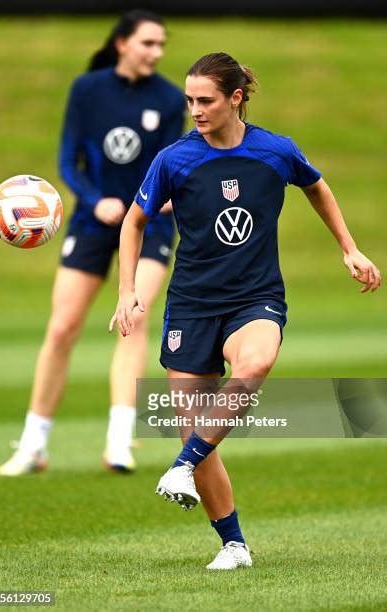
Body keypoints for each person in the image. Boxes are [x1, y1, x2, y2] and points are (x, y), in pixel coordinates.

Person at [110, 52, 381, 570]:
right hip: (191, 305)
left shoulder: (275, 151)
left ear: (236, 98)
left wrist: (349, 247)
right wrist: (127, 291)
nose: (195, 109)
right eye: (189, 100)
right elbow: (133, 221)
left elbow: (316, 186)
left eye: (205, 100)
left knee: (254, 365)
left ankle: (181, 466)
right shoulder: (174, 159)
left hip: (255, 298)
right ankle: (233, 545)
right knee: (199, 429)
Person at [0, 10, 186, 477]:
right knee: (62, 327)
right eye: (148, 43)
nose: (156, 52)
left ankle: (119, 443)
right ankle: (33, 445)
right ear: (122, 43)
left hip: (148, 224)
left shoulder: (167, 97)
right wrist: (95, 199)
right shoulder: (87, 89)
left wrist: (148, 204)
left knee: (133, 321)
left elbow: (168, 164)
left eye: (161, 45)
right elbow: (68, 159)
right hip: (93, 221)